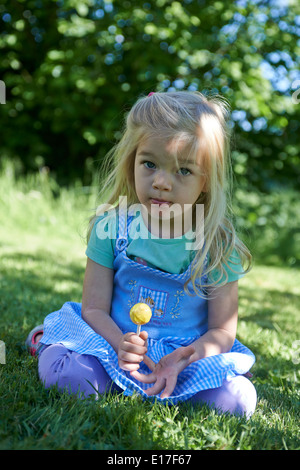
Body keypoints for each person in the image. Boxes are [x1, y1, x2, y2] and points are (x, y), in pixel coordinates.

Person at [26, 91, 257, 418]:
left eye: (183, 171)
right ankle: (47, 341)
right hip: (111, 342)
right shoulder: (112, 228)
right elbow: (93, 308)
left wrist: (185, 357)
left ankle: (180, 379)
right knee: (71, 379)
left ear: (207, 179)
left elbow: (222, 331)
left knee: (235, 403)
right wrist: (121, 343)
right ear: (131, 160)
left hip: (183, 357)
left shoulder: (216, 246)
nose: (161, 182)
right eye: (149, 164)